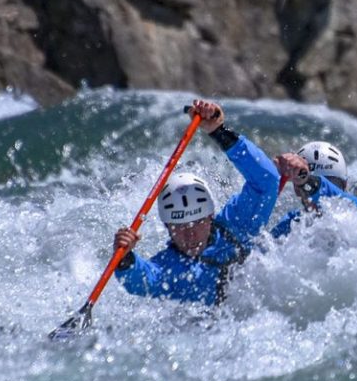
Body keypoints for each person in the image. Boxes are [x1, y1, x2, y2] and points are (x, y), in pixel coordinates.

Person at [111, 100, 282, 304]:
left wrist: (219, 132)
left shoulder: (239, 226)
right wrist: (125, 259)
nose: (190, 234)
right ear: (167, 226)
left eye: (198, 222)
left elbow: (267, 180)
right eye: (180, 226)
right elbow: (143, 281)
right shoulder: (169, 268)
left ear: (210, 216)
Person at [269, 141, 357, 239]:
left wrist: (305, 179)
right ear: (296, 189)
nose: (320, 199)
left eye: (333, 184)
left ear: (345, 186)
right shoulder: (290, 225)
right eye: (305, 189)